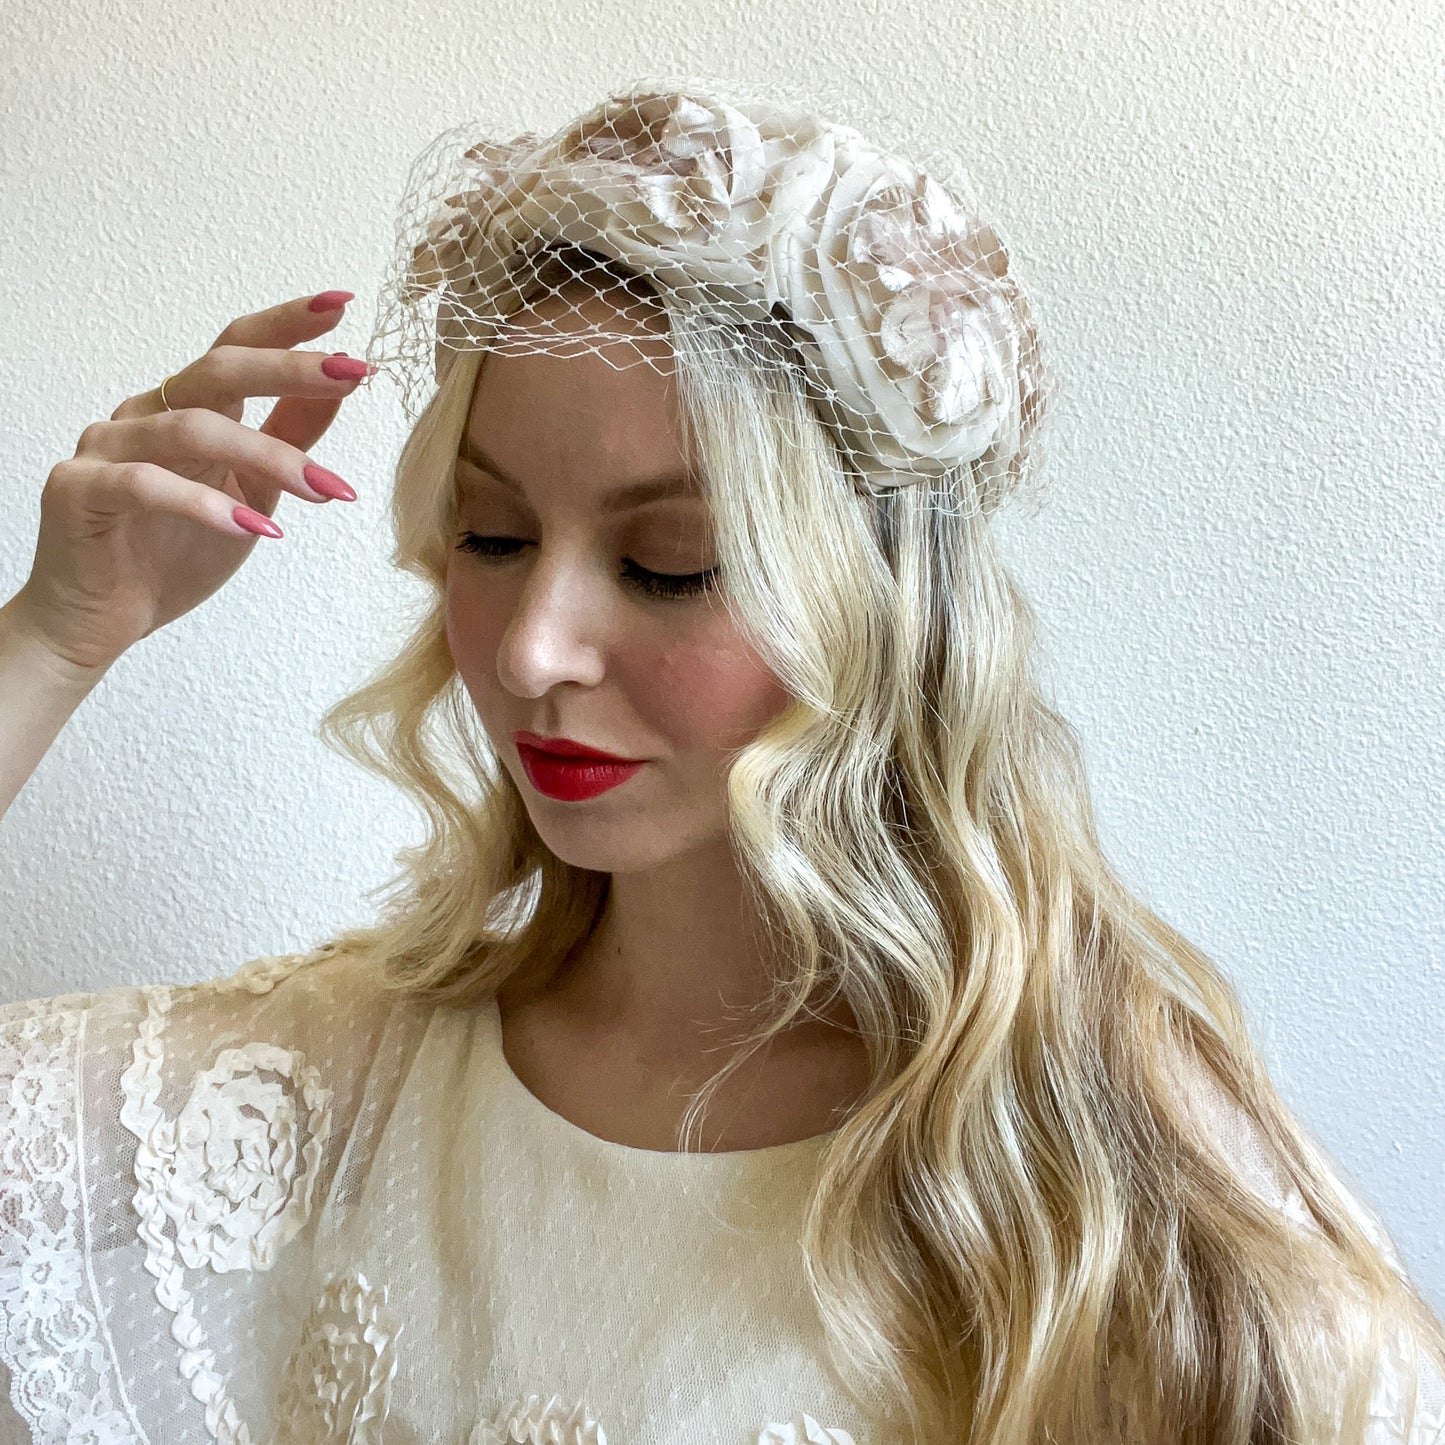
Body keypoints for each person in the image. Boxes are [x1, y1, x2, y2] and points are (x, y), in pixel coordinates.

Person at [0, 79, 1441, 1445]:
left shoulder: (1109, 1200)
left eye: (672, 561)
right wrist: (54, 637)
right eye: (492, 537)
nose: (532, 650)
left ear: (881, 616)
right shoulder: (325, 1104)